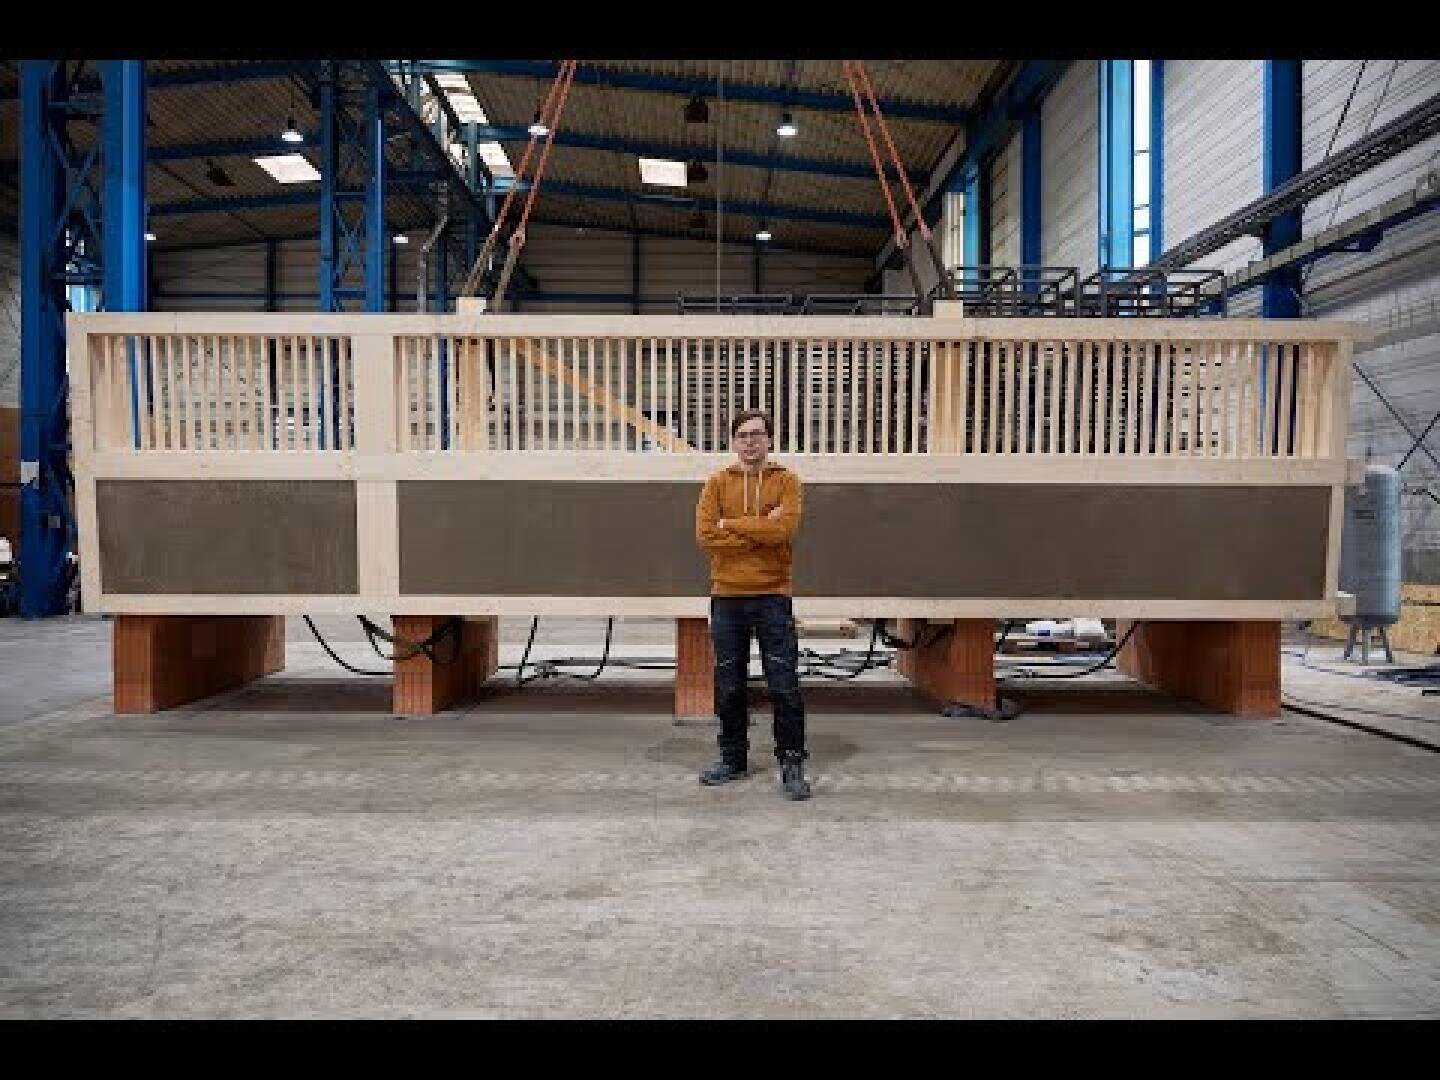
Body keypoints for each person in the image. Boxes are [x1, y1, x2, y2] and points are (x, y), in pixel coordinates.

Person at [693, 408, 811, 801]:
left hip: (773, 596)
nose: (750, 441)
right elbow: (706, 536)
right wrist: (761, 527)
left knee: (784, 684)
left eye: (757, 434)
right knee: (729, 684)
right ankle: (733, 758)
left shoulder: (787, 481)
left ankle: (791, 762)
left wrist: (731, 524)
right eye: (743, 435)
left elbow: (784, 530)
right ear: (733, 441)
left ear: (769, 439)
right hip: (727, 597)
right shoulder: (716, 483)